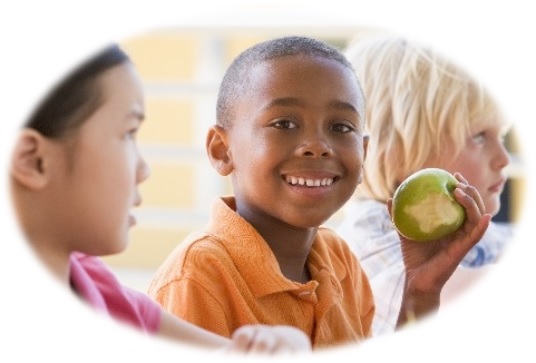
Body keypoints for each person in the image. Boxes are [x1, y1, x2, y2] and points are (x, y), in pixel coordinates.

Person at [147, 35, 491, 349]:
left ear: (364, 154)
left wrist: (421, 290)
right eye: (284, 124)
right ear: (222, 151)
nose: (317, 146)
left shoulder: (340, 261)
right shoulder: (198, 276)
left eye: (341, 127)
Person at [9, 43, 311, 354]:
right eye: (128, 133)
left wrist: (284, 345)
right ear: (34, 161)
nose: (144, 169)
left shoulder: (103, 292)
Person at [336, 32, 514, 336]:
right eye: (479, 137)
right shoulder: (373, 242)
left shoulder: (460, 226)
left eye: (502, 137)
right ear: (397, 152)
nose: (503, 158)